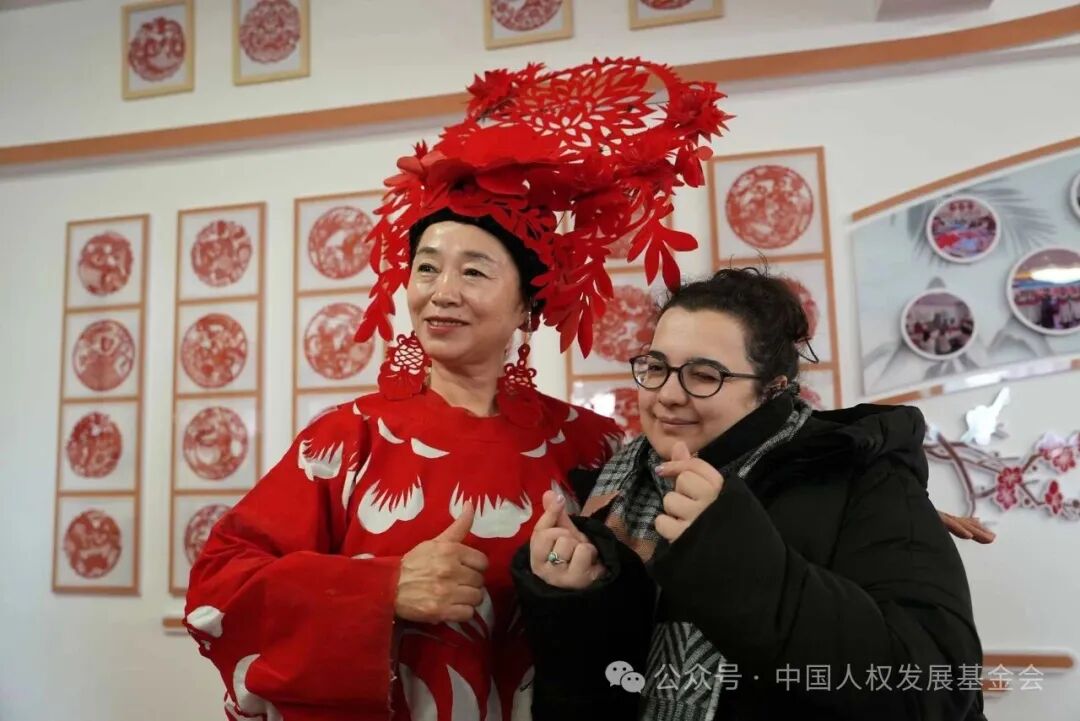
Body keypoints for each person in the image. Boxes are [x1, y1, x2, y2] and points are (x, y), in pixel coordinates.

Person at [183, 57, 731, 721]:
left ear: (528, 306)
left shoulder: (594, 446)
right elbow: (218, 588)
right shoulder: (345, 438)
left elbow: (657, 621)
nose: (441, 293)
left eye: (473, 271)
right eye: (426, 268)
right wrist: (381, 590)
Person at [511, 268, 989, 721]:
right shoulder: (616, 490)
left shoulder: (866, 481)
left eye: (704, 375)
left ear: (773, 389)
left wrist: (729, 551)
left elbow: (933, 690)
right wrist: (571, 602)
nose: (667, 394)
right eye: (656, 367)